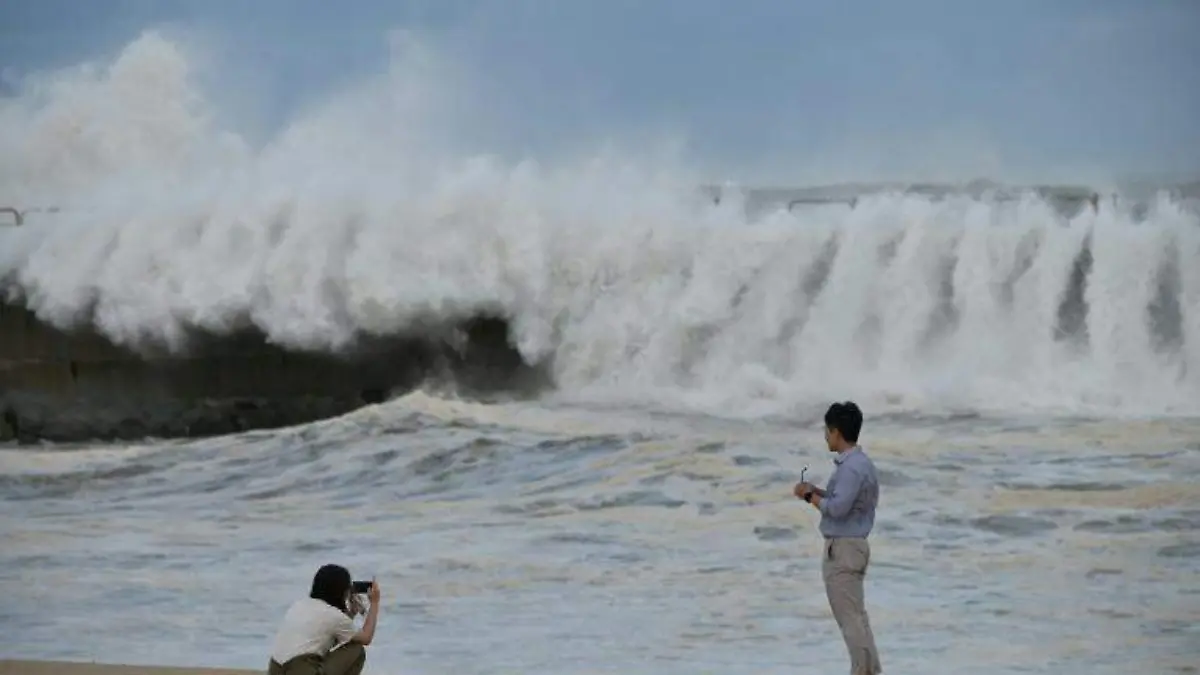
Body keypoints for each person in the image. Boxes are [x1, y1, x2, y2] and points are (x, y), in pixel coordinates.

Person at [795, 401, 882, 675]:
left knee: (850, 620)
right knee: (858, 617)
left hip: (843, 549)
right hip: (855, 545)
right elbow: (844, 500)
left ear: (836, 432)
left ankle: (860, 671)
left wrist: (809, 496)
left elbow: (836, 508)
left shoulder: (850, 468)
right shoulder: (862, 464)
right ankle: (869, 670)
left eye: (827, 430)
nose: (825, 435)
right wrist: (817, 490)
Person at [268, 564, 382, 675]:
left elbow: (332, 635)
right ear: (342, 591)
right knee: (356, 650)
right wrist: (375, 603)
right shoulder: (334, 615)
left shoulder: (299, 605)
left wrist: (351, 614)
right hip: (302, 668)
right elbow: (366, 638)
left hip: (275, 670)